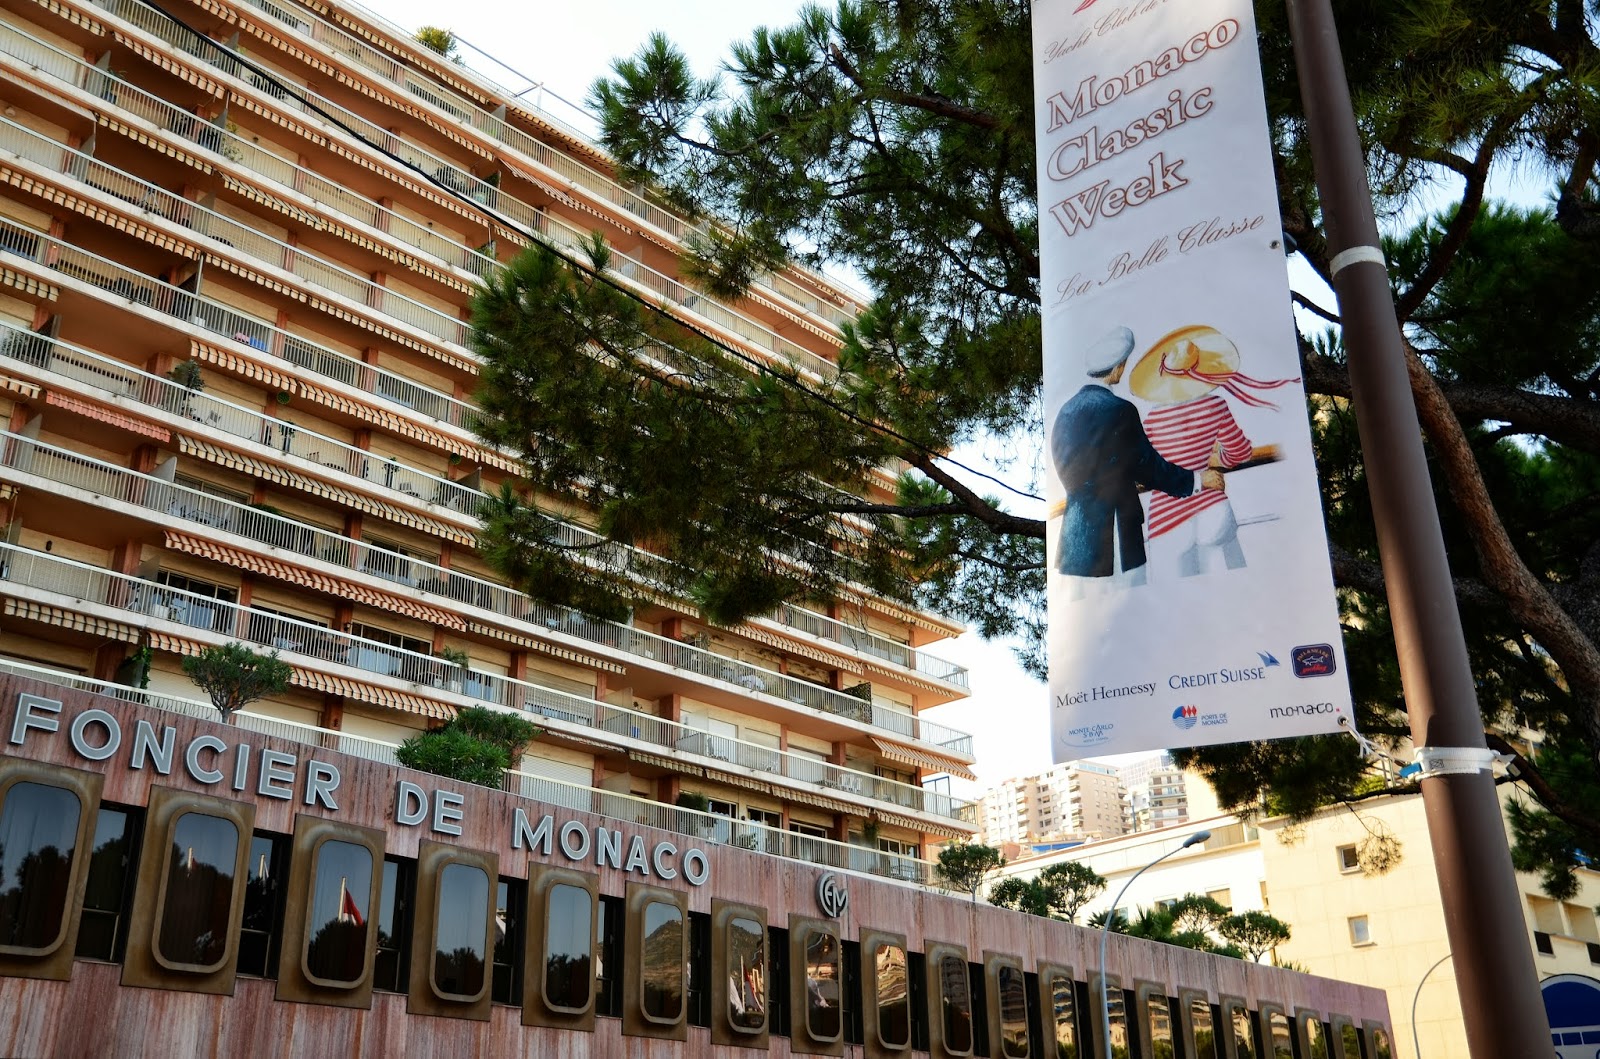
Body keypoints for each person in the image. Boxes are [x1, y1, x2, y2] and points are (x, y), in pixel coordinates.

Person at [1051, 327, 1223, 595]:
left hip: (1074, 543)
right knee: (1133, 606)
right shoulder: (1121, 410)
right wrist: (1199, 480)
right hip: (1116, 540)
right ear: (1118, 367)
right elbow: (1148, 467)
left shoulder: (1065, 412)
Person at [1128, 325, 1293, 578]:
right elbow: (1240, 452)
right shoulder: (1215, 406)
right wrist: (1216, 458)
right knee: (1232, 585)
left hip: (1166, 518)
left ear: (1163, 377)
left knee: (1179, 596)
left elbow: (1146, 470)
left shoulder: (1150, 422)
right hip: (1213, 509)